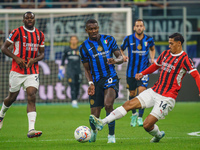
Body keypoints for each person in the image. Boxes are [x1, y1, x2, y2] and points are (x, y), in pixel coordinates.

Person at [89, 32, 200, 143]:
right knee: (128, 104)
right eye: (169, 43)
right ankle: (102, 122)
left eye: (171, 43)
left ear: (179, 43)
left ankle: (158, 135)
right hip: (155, 91)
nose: (169, 46)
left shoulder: (185, 59)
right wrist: (142, 73)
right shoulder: (165, 54)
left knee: (147, 125)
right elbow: (155, 66)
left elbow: (196, 75)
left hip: (167, 97)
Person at [0, 11, 45, 138]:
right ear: (23, 20)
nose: (30, 20)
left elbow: (42, 54)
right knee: (12, 97)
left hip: (32, 71)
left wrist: (34, 60)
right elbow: (4, 48)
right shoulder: (17, 32)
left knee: (31, 95)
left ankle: (31, 129)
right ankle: (1, 114)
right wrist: (16, 58)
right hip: (17, 71)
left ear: (35, 19)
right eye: (27, 18)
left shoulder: (40, 34)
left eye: (32, 18)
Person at [79, 19, 123, 143]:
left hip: (110, 77)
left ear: (98, 28)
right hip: (96, 81)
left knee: (108, 105)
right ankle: (93, 133)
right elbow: (87, 70)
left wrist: (115, 60)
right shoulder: (83, 47)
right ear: (86, 30)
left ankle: (111, 136)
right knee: (94, 116)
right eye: (91, 29)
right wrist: (90, 83)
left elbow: (120, 57)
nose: (93, 31)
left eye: (95, 28)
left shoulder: (109, 40)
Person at [120, 19, 155, 127]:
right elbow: (121, 49)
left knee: (142, 93)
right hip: (131, 72)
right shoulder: (128, 39)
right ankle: (134, 114)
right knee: (132, 94)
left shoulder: (149, 39)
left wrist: (152, 58)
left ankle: (140, 117)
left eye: (141, 26)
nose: (139, 27)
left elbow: (152, 49)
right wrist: (123, 56)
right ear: (134, 28)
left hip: (143, 71)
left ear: (144, 27)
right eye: (137, 26)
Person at [58, 35, 82, 108]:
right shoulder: (67, 49)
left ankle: (75, 100)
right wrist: (60, 71)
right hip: (70, 71)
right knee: (72, 85)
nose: (74, 41)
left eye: (75, 39)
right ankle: (74, 101)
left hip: (78, 71)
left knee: (78, 86)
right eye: (72, 39)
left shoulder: (80, 50)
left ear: (77, 41)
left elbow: (85, 61)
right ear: (70, 41)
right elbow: (62, 61)